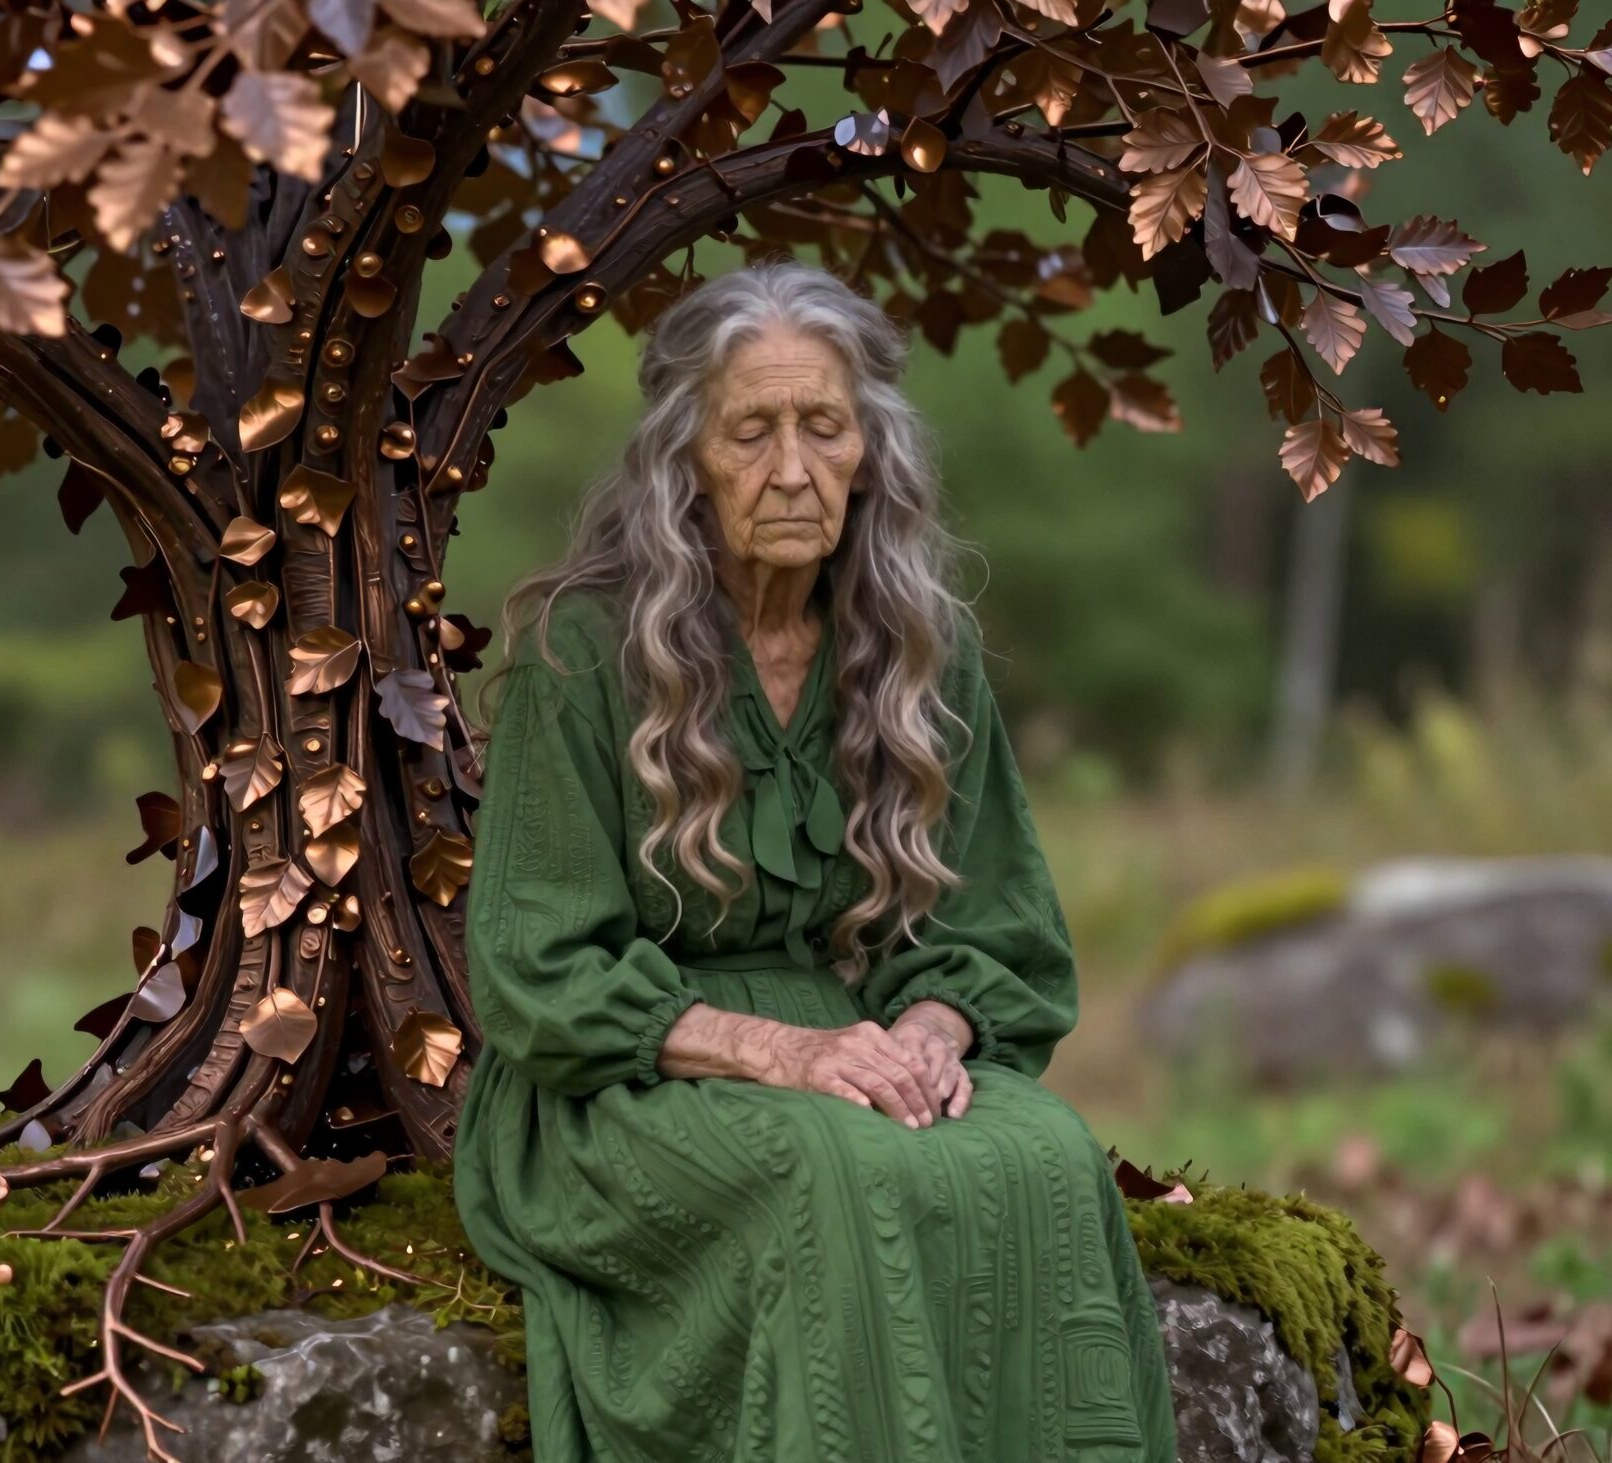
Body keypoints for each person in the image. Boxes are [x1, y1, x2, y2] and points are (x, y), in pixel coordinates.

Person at [452, 260, 1180, 1463]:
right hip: (621, 1080)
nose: (791, 468)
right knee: (829, 1173)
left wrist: (932, 1037)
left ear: (869, 451)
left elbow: (995, 927)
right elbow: (537, 973)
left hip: (860, 1044)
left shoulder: (920, 648)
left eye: (822, 427)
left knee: (1044, 1152)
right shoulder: (581, 652)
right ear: (684, 456)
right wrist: (784, 1051)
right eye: (751, 431)